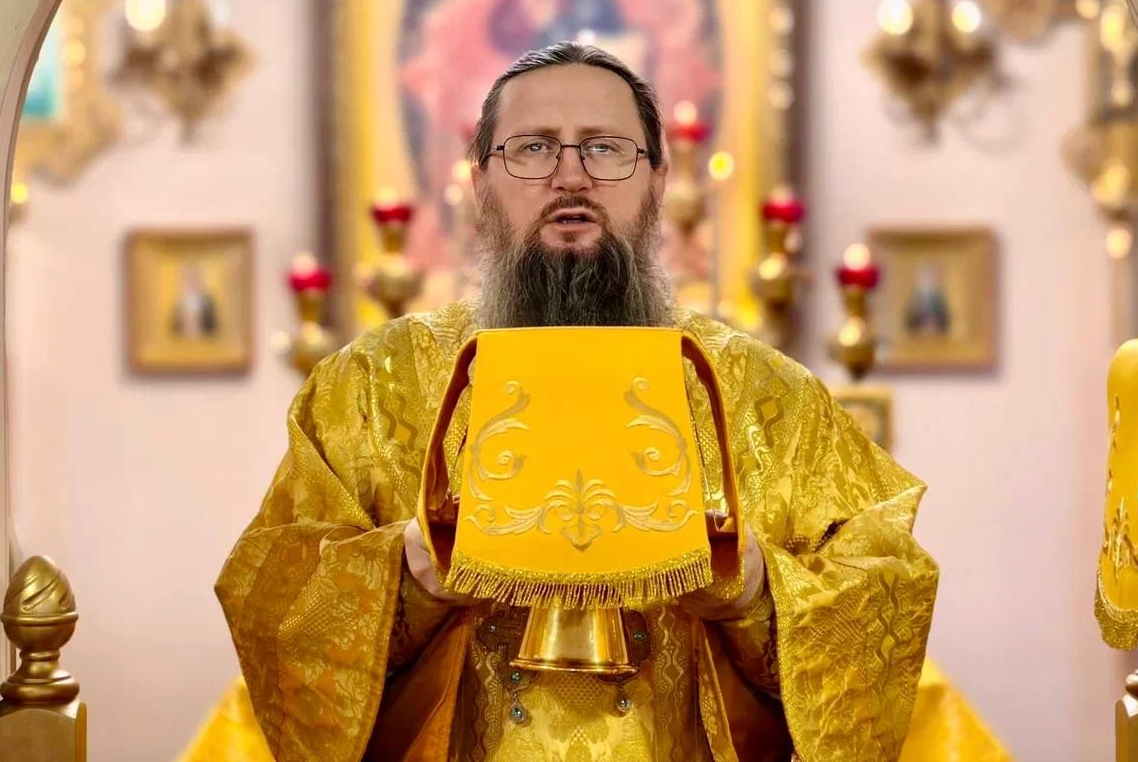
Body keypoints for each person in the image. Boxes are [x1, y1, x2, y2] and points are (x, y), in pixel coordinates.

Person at [216, 42, 938, 762]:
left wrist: (755, 591)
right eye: (532, 148)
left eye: (605, 148)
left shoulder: (766, 393)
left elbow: (883, 593)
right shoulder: (371, 386)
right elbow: (273, 602)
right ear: (481, 181)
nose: (570, 175)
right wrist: (407, 574)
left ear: (657, 179)